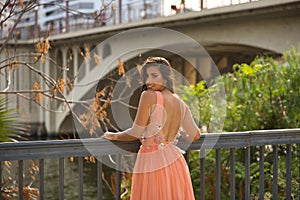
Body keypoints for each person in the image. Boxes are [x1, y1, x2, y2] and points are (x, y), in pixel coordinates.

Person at [102, 56, 200, 200]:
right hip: (175, 162)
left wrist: (112, 136)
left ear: (166, 78)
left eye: (154, 76)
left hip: (152, 161)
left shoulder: (149, 96)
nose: (148, 81)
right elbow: (195, 135)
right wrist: (181, 135)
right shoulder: (180, 103)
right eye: (147, 76)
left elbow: (136, 132)